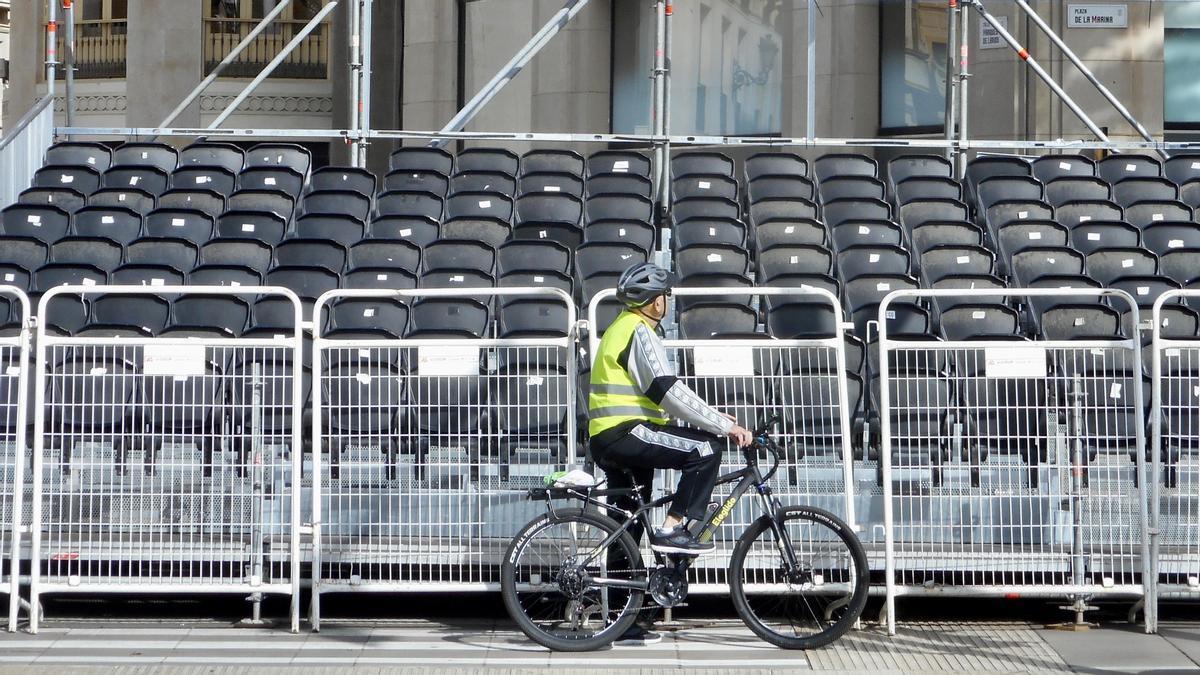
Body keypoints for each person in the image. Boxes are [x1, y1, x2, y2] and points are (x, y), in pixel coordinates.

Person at [588, 262, 754, 559]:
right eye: (666, 293)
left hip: (611, 435)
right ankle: (672, 530)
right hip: (626, 432)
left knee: (628, 525)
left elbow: (658, 394)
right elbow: (667, 391)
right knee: (705, 448)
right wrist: (721, 425)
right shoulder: (638, 331)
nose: (668, 299)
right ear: (655, 301)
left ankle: (619, 599)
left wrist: (713, 416)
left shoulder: (620, 327)